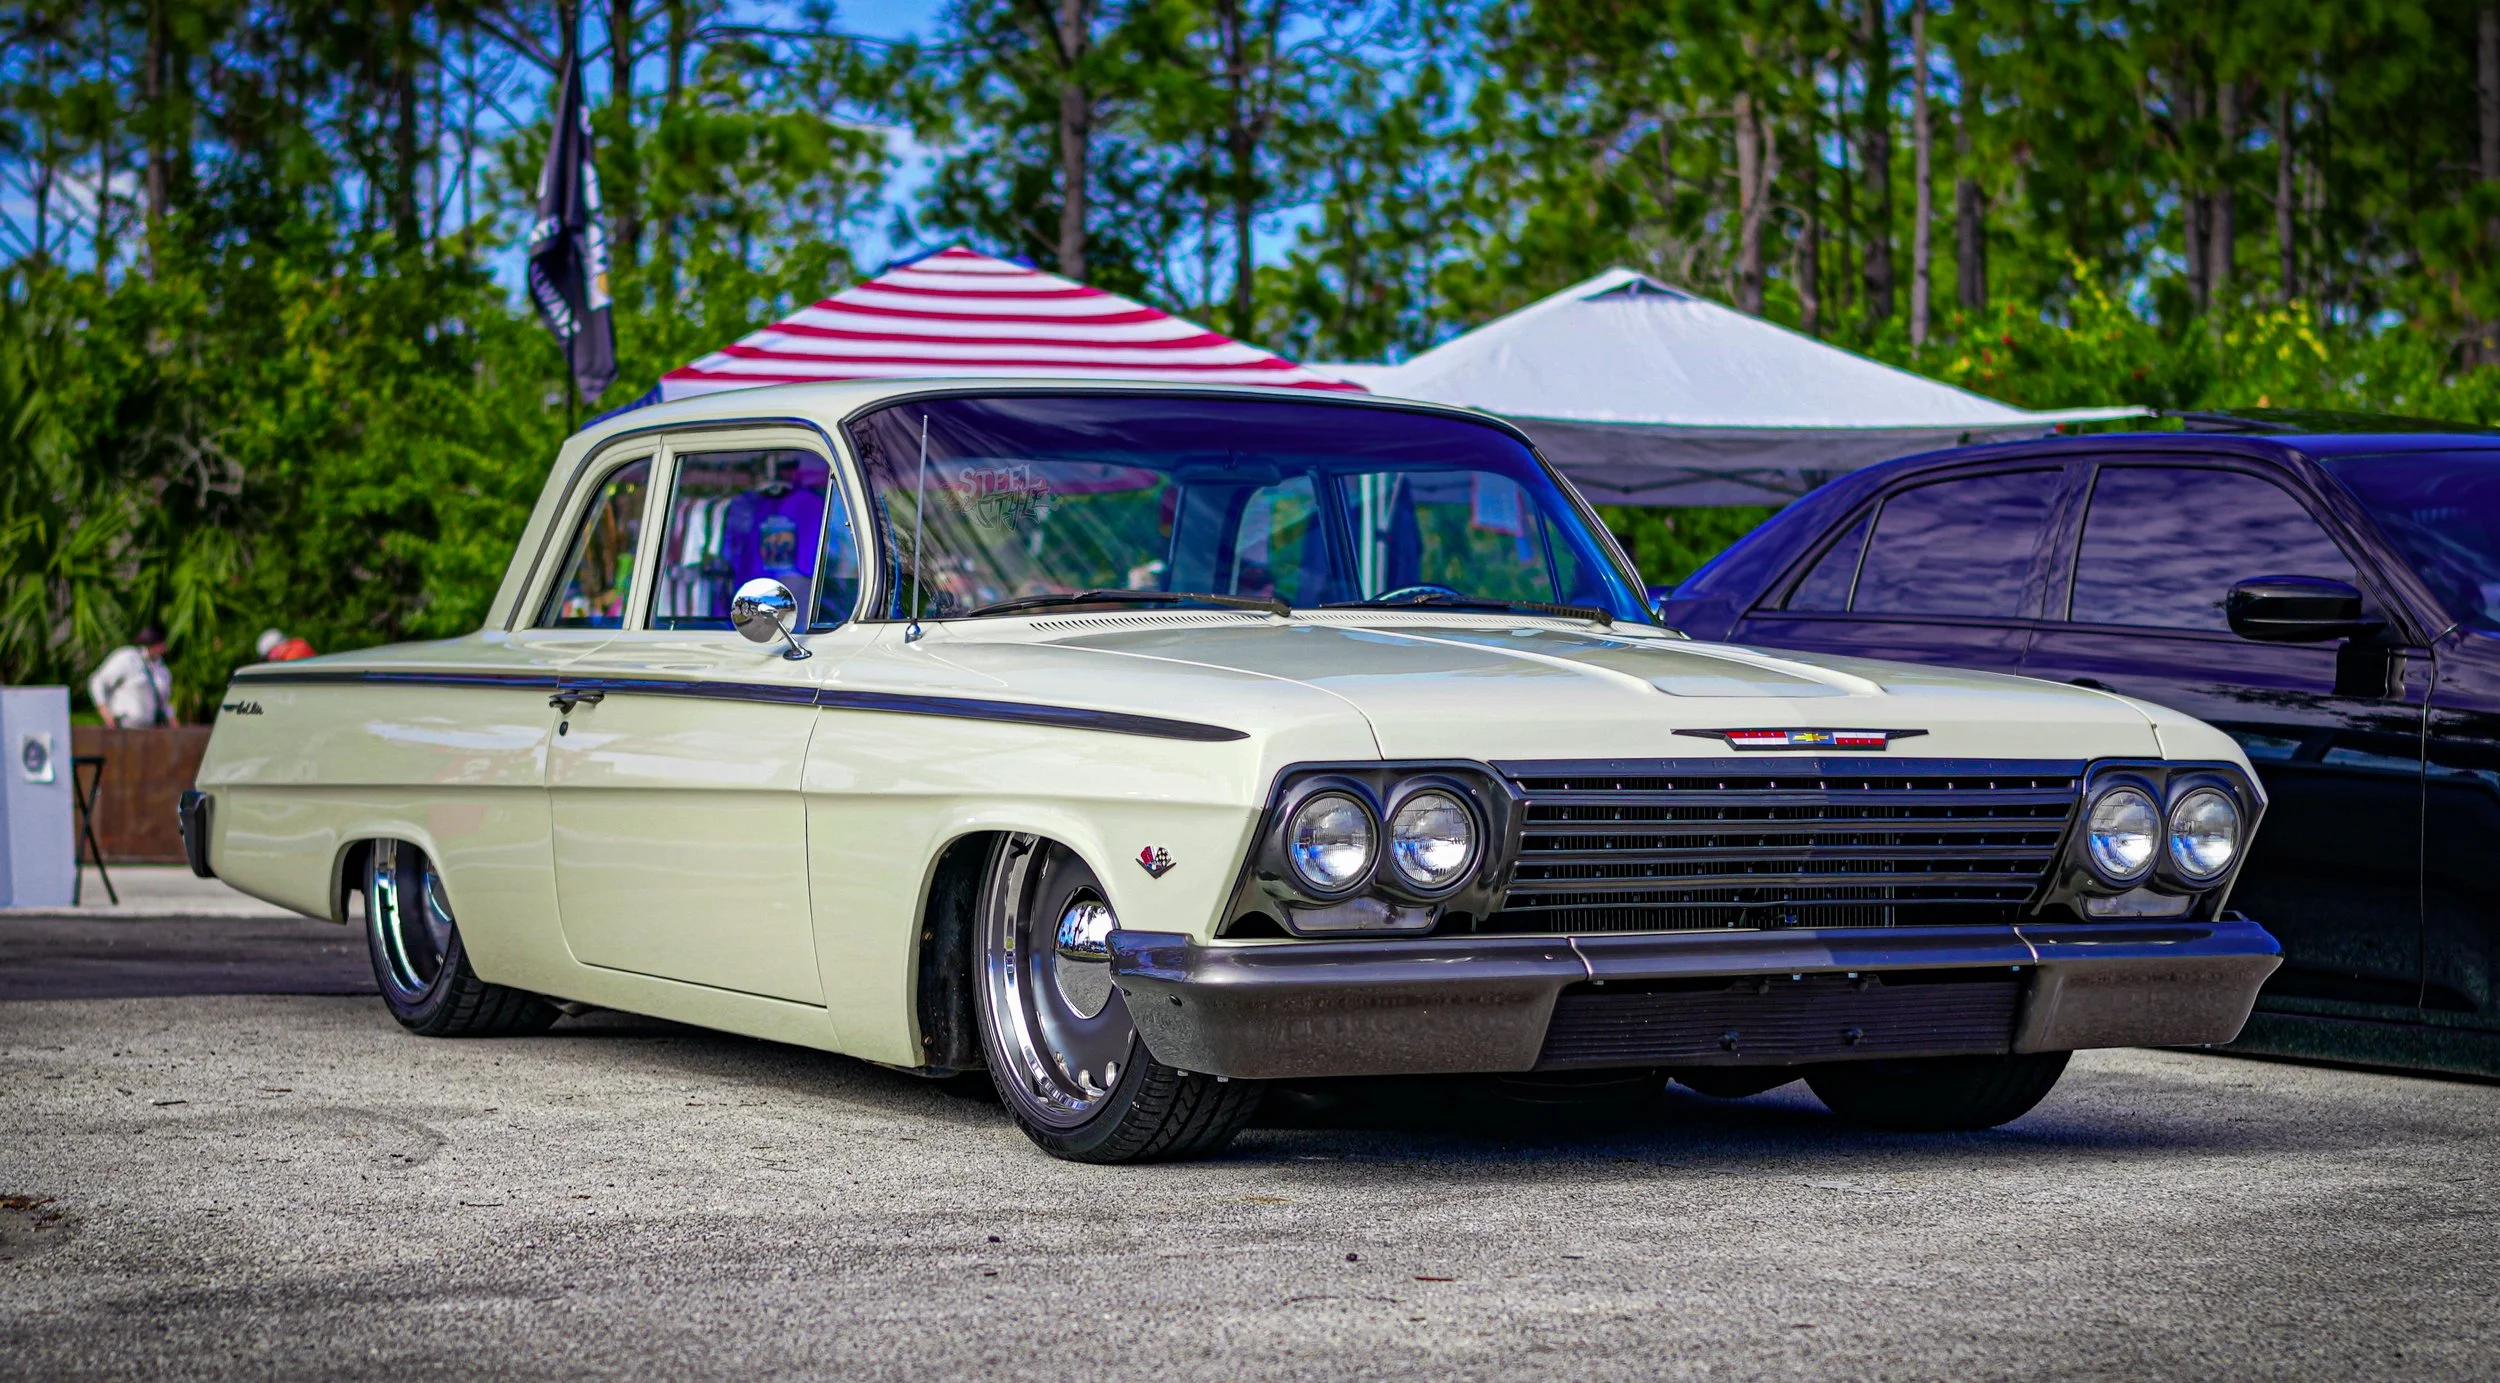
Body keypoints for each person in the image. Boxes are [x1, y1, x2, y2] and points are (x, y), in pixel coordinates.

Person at [88, 625, 177, 729]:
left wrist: (173, 724)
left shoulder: (162, 671)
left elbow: (163, 703)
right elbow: (97, 681)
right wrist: (104, 710)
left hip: (148, 730)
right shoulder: (128, 657)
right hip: (122, 727)